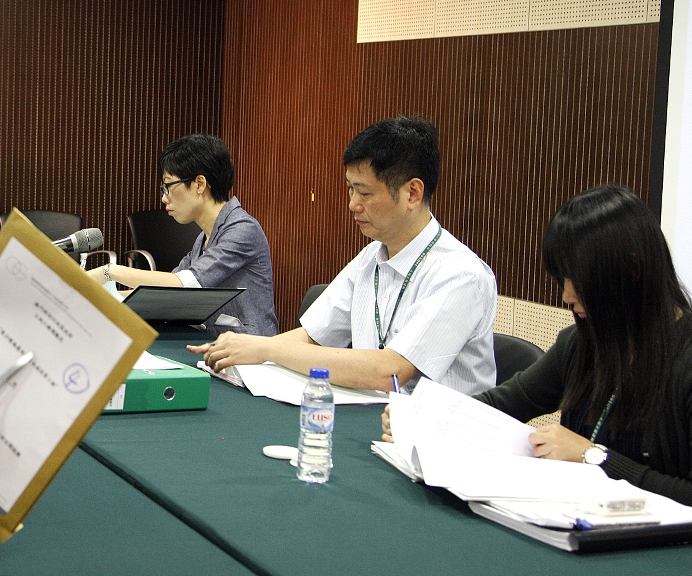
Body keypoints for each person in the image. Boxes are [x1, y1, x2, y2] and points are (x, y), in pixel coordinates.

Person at [384, 185, 692, 512]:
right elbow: (505, 403)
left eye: (578, 279)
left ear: (632, 270)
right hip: (574, 522)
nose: (567, 295)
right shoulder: (582, 344)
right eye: (563, 278)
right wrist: (424, 417)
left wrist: (594, 457)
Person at [191, 117, 497, 393]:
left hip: (437, 434)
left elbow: (390, 373)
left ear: (412, 193)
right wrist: (242, 348)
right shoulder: (370, 258)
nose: (352, 204)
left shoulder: (459, 274)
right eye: (350, 189)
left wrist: (265, 349)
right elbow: (313, 336)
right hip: (373, 418)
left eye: (364, 193)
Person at [87, 134, 277, 336]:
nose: (164, 198)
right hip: (216, 344)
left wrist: (108, 272)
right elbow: (165, 293)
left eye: (168, 186)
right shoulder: (203, 239)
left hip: (252, 350)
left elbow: (184, 286)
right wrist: (105, 297)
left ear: (199, 184)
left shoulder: (242, 229)